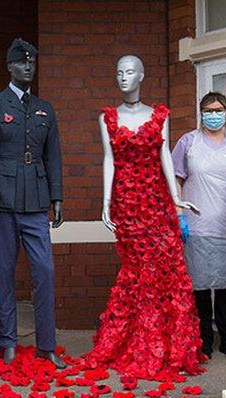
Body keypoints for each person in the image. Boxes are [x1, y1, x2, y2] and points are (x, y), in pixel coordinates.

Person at [82, 54, 203, 381]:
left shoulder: (159, 115)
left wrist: (177, 198)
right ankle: (137, 341)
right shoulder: (107, 117)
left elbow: (164, 155)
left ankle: (167, 344)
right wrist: (105, 202)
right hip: (127, 203)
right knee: (138, 270)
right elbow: (109, 160)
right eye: (119, 72)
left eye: (130, 71)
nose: (124, 77)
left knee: (166, 269)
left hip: (157, 202)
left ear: (141, 75)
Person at [0, 38, 67, 369]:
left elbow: (53, 154)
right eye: (22, 63)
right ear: (9, 67)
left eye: (32, 63)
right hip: (2, 202)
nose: (28, 67)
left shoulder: (45, 108)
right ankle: (7, 342)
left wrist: (56, 196)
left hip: (36, 203)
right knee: (4, 273)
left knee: (44, 271)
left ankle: (46, 344)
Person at [171, 92, 226, 360]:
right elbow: (173, 179)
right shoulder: (188, 142)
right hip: (197, 226)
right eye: (208, 110)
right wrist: (178, 212)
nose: (213, 114)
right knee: (199, 288)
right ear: (201, 112)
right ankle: (203, 340)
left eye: (218, 109)